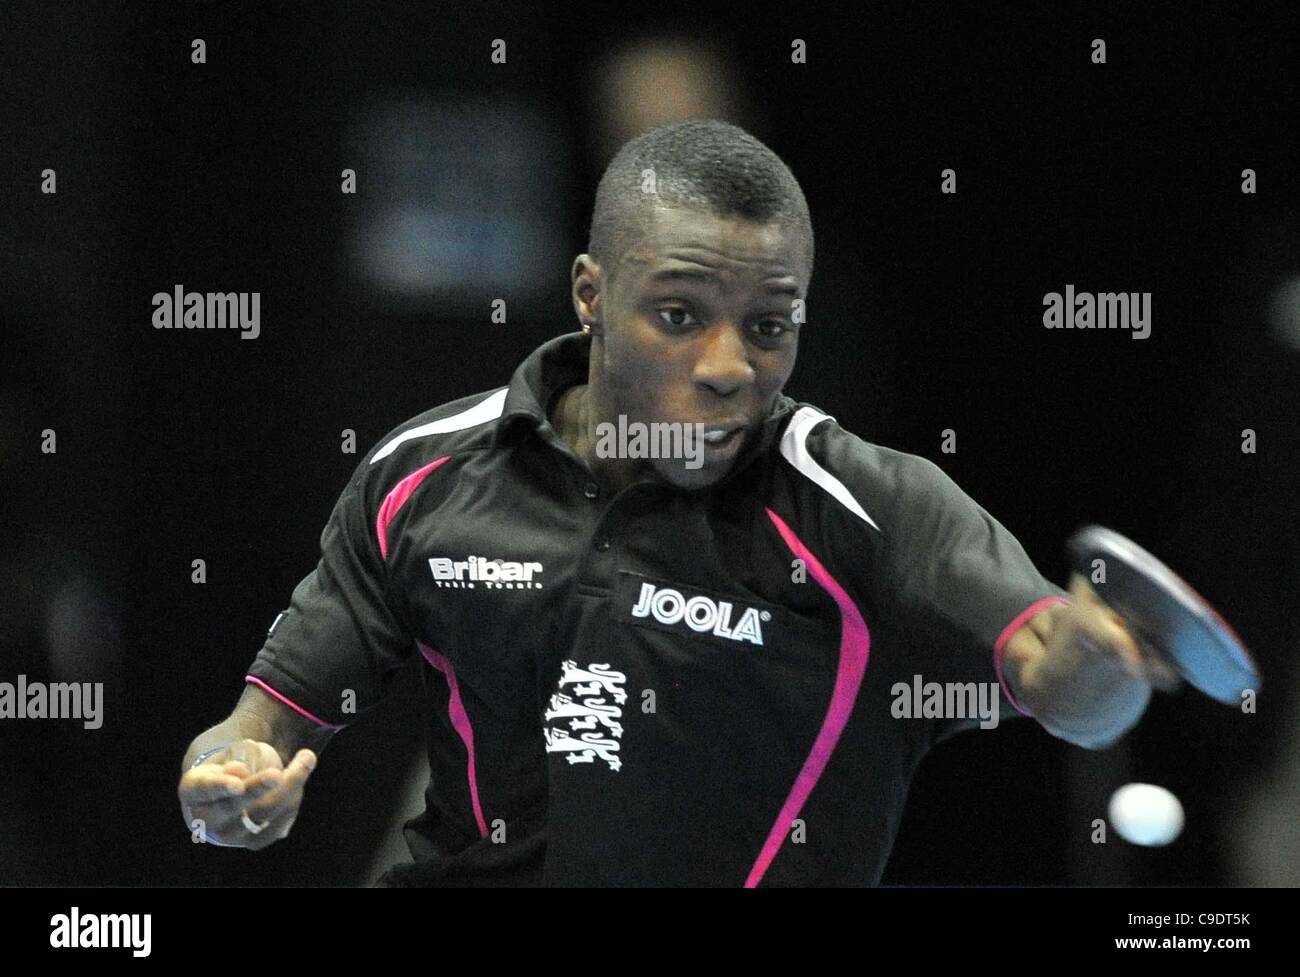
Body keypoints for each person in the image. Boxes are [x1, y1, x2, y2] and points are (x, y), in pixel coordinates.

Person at [177, 118, 1176, 886]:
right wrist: (225, 785)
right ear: (589, 292)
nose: (730, 366)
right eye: (678, 315)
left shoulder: (872, 507)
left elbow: (1056, 674)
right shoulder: (423, 475)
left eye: (770, 324)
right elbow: (257, 727)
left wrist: (1098, 666)